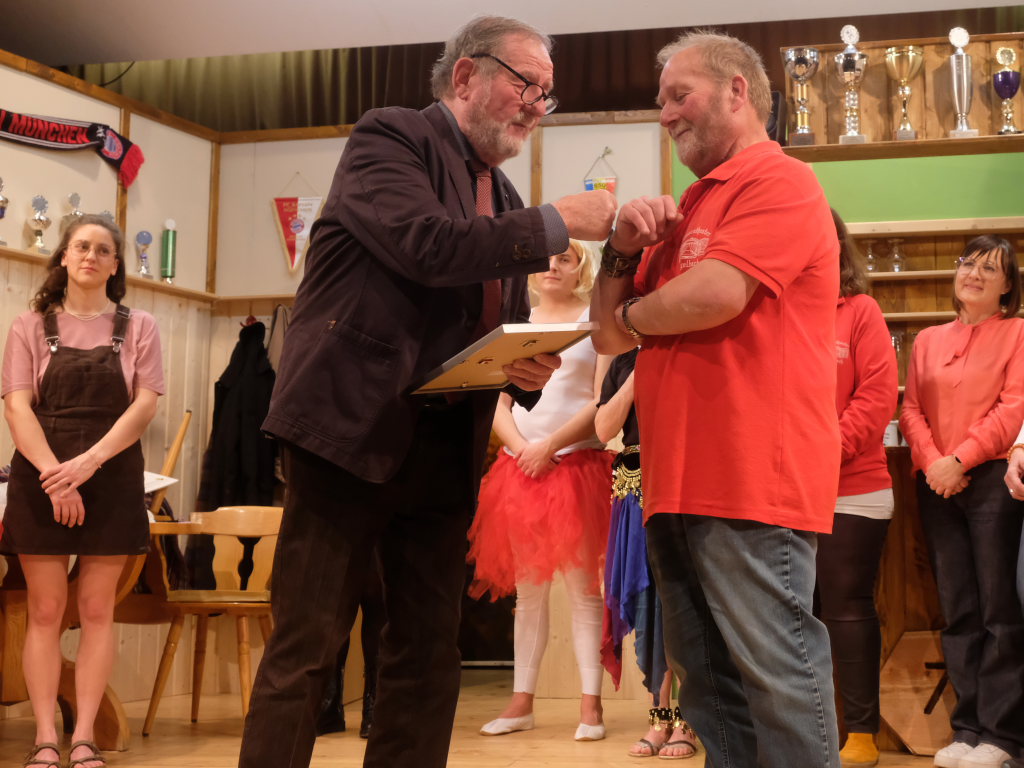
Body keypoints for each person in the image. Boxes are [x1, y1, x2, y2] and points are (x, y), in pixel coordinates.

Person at [237, 15, 616, 768]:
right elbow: (427, 245)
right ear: (466, 75)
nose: (537, 107)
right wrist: (554, 222)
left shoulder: (502, 189)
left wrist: (515, 365)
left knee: (427, 653)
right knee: (307, 647)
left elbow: (482, 315)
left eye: (547, 96)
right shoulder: (391, 137)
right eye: (527, 86)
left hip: (444, 445)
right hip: (349, 430)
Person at [589, 30, 842, 768]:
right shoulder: (691, 208)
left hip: (751, 477)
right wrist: (622, 250)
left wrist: (636, 315)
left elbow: (716, 295)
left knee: (779, 677)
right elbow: (605, 333)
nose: (665, 113)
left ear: (737, 91)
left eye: (680, 95)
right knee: (707, 688)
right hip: (675, 482)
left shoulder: (780, 180)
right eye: (661, 100)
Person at [1, 214, 164, 768]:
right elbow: (17, 407)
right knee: (46, 610)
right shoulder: (29, 325)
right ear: (64, 257)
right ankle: (47, 736)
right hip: (40, 477)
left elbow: (144, 406)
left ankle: (85, 737)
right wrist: (56, 476)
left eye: (102, 250)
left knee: (96, 609)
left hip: (111, 475)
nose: (91, 256)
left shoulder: (140, 326)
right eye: (81, 247)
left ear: (116, 265)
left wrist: (88, 464)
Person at [467, 240, 612, 741]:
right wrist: (522, 449)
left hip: (577, 468)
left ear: (580, 268)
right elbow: (496, 399)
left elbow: (601, 399)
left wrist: (549, 445)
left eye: (565, 259)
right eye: (547, 259)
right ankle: (521, 702)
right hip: (521, 472)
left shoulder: (594, 325)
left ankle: (591, 705)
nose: (553, 266)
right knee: (528, 593)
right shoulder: (517, 323)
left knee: (584, 591)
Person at [900, 235, 1024, 768]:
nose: (973, 274)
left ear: (1008, 286)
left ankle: (1002, 735)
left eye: (989, 269)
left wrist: (960, 459)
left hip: (993, 478)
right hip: (936, 483)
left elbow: (1014, 407)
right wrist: (934, 463)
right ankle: (967, 727)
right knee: (958, 611)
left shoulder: (1018, 333)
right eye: (968, 263)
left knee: (999, 610)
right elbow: (910, 410)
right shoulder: (928, 339)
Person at [816, 210, 898, 768]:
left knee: (845, 608)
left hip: (853, 485)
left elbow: (876, 396)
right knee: (795, 614)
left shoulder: (860, 311)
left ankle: (862, 734)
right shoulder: (774, 309)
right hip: (785, 490)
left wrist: (822, 453)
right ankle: (809, 730)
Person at [595, 347, 696, 760]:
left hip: (684, 484)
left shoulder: (689, 349)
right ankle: (659, 715)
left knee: (681, 603)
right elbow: (604, 427)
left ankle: (688, 718)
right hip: (635, 490)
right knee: (647, 604)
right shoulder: (623, 362)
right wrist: (638, 373)